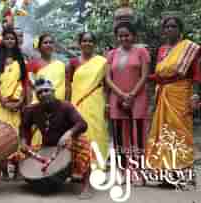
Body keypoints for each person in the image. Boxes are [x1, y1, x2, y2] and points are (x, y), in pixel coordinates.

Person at [145, 16, 200, 187]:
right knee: (162, 133)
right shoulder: (162, 50)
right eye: (167, 27)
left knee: (180, 133)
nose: (169, 29)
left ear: (180, 28)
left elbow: (197, 73)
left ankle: (180, 173)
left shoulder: (190, 48)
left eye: (173, 26)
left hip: (181, 94)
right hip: (163, 94)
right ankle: (164, 173)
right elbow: (159, 75)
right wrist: (142, 78)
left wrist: (196, 95)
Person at [20, 78, 92, 199]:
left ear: (53, 91)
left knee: (84, 144)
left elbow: (82, 124)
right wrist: (23, 142)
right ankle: (36, 179)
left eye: (46, 90)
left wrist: (68, 133)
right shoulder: (31, 110)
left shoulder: (66, 106)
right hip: (47, 148)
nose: (43, 94)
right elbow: (24, 127)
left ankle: (86, 185)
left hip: (68, 145)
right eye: (39, 93)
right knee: (19, 152)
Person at [105, 22, 150, 180]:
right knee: (119, 136)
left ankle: (139, 171)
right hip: (117, 99)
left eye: (127, 35)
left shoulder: (141, 51)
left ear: (133, 35)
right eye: (120, 35)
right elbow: (108, 79)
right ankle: (123, 171)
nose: (124, 38)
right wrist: (122, 94)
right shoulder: (111, 54)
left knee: (137, 135)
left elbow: (144, 76)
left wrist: (131, 94)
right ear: (117, 37)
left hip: (138, 98)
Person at [67, 32, 109, 166]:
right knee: (78, 133)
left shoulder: (102, 62)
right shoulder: (73, 63)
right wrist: (67, 105)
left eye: (90, 41)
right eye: (84, 41)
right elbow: (68, 86)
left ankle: (96, 164)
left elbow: (107, 84)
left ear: (94, 44)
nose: (87, 43)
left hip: (96, 102)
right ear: (80, 44)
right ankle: (79, 166)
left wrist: (107, 104)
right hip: (76, 104)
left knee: (98, 130)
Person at [27, 33, 66, 150]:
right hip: (40, 106)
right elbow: (29, 86)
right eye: (45, 43)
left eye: (51, 42)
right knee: (38, 137)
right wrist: (30, 106)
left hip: (58, 106)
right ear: (39, 47)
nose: (48, 45)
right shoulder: (33, 64)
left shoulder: (60, 64)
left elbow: (66, 85)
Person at [0, 28, 29, 131]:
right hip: (0, 104)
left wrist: (20, 101)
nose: (10, 40)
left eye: (12, 38)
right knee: (1, 133)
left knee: (15, 134)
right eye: (7, 38)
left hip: (16, 104)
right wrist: (2, 101)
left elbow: (25, 83)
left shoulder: (21, 61)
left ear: (16, 41)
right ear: (3, 41)